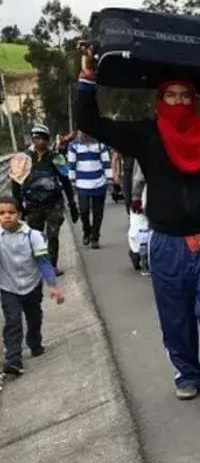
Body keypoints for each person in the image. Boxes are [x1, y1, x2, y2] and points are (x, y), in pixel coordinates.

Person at [75, 43, 200, 409]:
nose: (180, 102)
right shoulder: (145, 135)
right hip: (165, 242)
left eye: (186, 96)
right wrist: (88, 78)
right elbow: (90, 122)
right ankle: (187, 373)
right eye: (172, 95)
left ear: (194, 100)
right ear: (160, 97)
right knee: (175, 315)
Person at [0, 195, 65, 377]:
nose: (6, 217)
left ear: (19, 214)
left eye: (11, 212)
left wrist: (53, 286)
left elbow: (43, 262)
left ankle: (35, 343)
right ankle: (14, 360)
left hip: (31, 284)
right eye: (2, 213)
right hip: (8, 287)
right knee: (12, 321)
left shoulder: (33, 236)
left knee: (34, 316)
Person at [11, 124, 78, 276]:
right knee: (36, 236)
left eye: (42, 138)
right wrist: (18, 204)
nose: (39, 141)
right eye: (36, 138)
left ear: (47, 140)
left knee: (53, 235)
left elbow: (65, 181)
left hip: (54, 203)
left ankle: (51, 266)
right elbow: (15, 182)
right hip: (32, 205)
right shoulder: (22, 158)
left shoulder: (56, 157)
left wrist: (72, 203)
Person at [66, 131, 113, 249]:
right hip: (82, 184)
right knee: (84, 210)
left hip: (99, 183)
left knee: (98, 212)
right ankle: (87, 231)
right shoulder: (74, 145)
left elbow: (106, 163)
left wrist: (110, 180)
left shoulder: (100, 145)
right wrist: (71, 181)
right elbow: (71, 164)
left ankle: (95, 237)